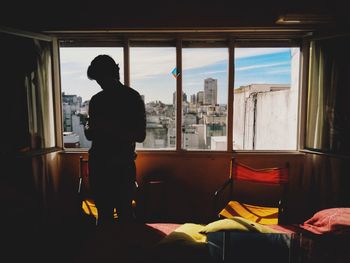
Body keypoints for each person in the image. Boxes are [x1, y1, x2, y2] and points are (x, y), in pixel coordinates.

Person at [85, 54, 146, 226]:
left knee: (106, 216)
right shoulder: (133, 98)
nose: (99, 83)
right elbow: (140, 135)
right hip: (120, 164)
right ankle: (123, 250)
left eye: (99, 79)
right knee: (123, 214)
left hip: (106, 165)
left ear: (105, 75)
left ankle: (107, 251)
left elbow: (92, 135)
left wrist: (102, 128)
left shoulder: (98, 101)